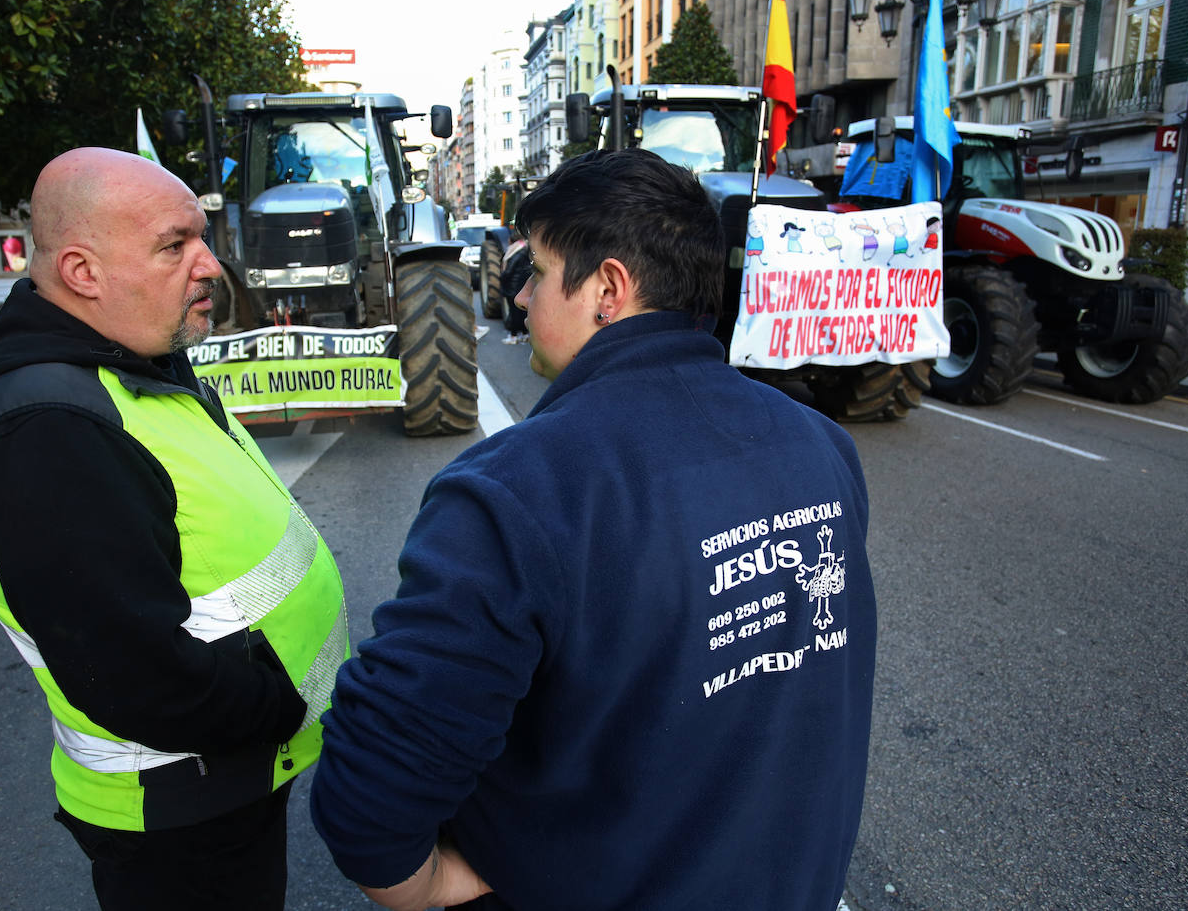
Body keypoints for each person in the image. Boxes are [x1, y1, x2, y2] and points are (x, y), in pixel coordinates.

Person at [309, 148, 877, 911]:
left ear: (607, 289)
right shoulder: (820, 445)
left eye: (537, 274)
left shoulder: (519, 489)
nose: (520, 304)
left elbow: (372, 789)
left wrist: (431, 883)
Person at [0, 148, 348, 911]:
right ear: (83, 273)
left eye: (203, 238)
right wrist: (277, 709)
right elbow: (131, 672)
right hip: (181, 809)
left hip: (225, 784)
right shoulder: (47, 427)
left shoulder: (126, 364)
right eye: (174, 244)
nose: (211, 266)